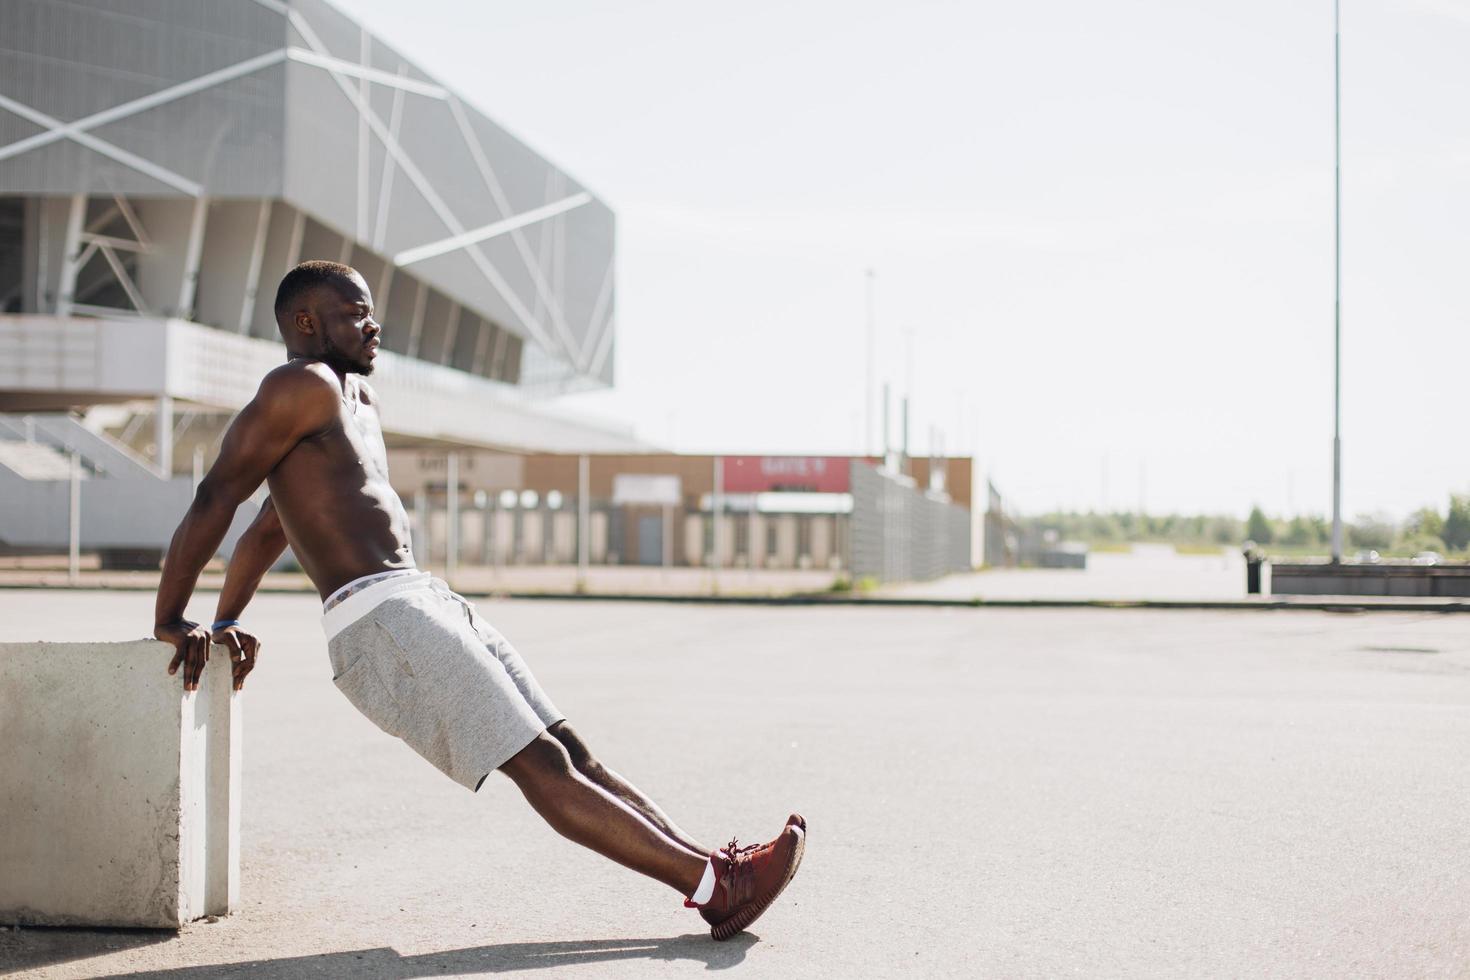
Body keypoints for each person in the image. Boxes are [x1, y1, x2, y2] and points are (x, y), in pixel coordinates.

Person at [152, 260, 804, 940]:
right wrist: (173, 617)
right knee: (540, 765)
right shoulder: (298, 384)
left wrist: (229, 619)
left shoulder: (354, 402)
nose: (372, 324)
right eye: (352, 314)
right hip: (382, 619)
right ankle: (715, 890)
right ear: (305, 322)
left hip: (421, 598)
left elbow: (270, 527)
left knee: (570, 750)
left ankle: (711, 868)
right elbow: (217, 496)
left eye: (370, 310)